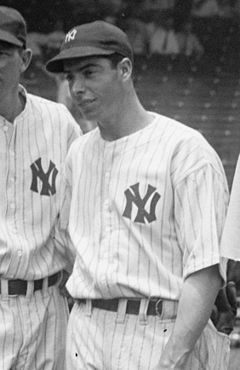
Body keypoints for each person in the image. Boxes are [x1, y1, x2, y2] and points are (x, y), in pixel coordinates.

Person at [46, 20, 232, 369]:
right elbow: (70, 248)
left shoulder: (185, 151)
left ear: (125, 69)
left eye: (89, 72)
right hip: (85, 328)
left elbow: (205, 271)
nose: (77, 88)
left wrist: (172, 358)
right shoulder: (78, 154)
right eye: (70, 78)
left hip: (157, 327)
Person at [0, 6, 80, 370]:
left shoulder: (58, 122)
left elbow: (81, 215)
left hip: (46, 305)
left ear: (25, 58)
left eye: (1, 54)